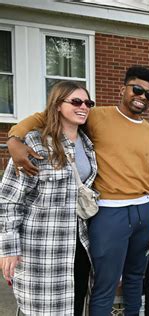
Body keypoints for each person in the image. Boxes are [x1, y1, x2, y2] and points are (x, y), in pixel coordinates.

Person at [6, 66, 149, 315]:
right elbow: (44, 117)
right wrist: (14, 138)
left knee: (136, 278)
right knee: (105, 283)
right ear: (122, 89)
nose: (142, 97)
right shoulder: (94, 115)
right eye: (137, 89)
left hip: (143, 212)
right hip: (108, 212)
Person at [0, 81, 97, 315]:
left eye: (87, 102)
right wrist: (9, 248)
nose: (83, 106)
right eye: (75, 101)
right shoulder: (35, 143)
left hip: (79, 242)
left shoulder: (87, 144)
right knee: (40, 308)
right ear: (57, 106)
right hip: (42, 246)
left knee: (76, 301)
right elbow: (10, 200)